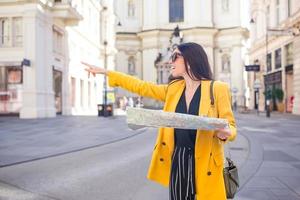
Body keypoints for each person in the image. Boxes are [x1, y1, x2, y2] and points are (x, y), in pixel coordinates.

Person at [83, 42, 237, 200]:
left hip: (207, 161)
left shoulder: (218, 88)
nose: (171, 61)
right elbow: (142, 87)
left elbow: (231, 126)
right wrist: (106, 72)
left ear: (191, 60)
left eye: (175, 57)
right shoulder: (174, 88)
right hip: (179, 158)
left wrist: (226, 132)